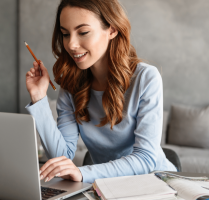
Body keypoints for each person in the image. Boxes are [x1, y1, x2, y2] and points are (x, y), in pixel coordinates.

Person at [25, 0, 177, 184]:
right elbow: (61, 156)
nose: (71, 44)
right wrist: (39, 97)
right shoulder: (71, 84)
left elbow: (146, 158)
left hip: (157, 184)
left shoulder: (146, 78)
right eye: (65, 34)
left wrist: (82, 173)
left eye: (83, 32)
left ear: (112, 30)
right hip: (107, 188)